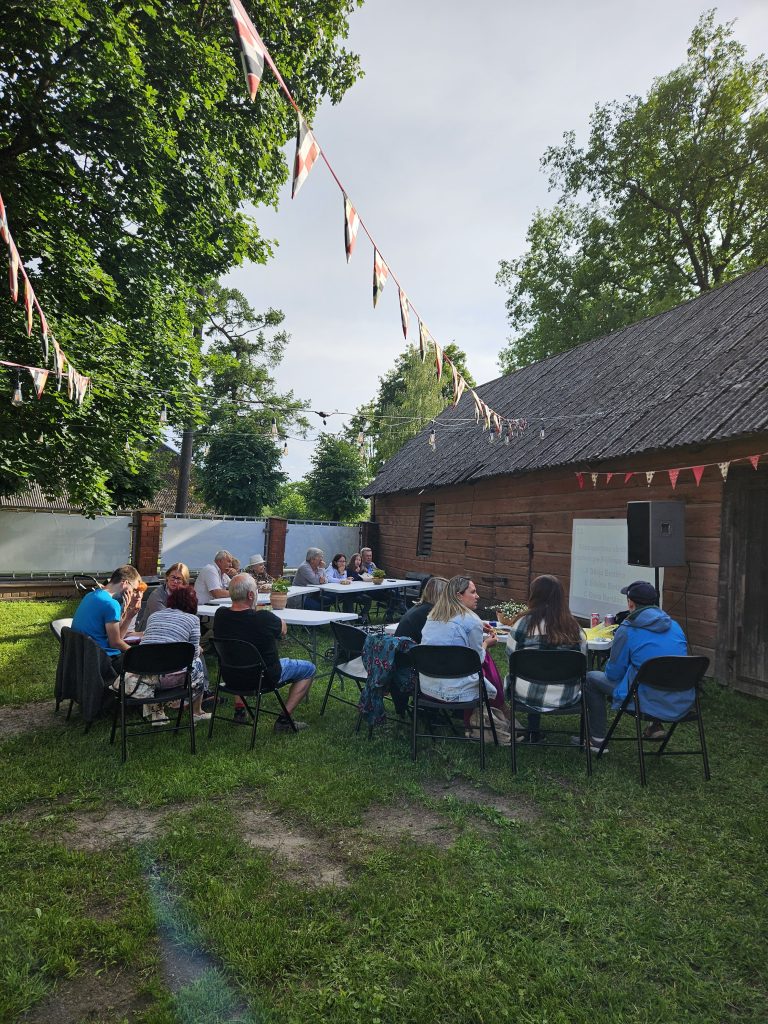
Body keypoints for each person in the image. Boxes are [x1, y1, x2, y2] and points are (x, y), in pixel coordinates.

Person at [583, 580, 689, 752]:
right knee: (653, 673)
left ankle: (597, 740)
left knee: (591, 678)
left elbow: (613, 674)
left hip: (643, 696)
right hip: (679, 696)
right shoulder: (675, 626)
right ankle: (655, 725)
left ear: (631, 603)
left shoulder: (627, 628)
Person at [213, 574, 316, 732]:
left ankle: (240, 711)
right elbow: (283, 630)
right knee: (309, 668)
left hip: (231, 677)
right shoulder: (264, 618)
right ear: (251, 595)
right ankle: (284, 720)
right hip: (263, 677)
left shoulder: (220, 616)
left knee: (239, 657)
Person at [505, 574, 587, 741]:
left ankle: (533, 730)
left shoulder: (521, 624)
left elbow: (511, 659)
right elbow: (583, 663)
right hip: (567, 695)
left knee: (529, 676)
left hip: (525, 694)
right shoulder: (574, 627)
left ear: (534, 595)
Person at [419, 575, 500, 704]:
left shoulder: (432, 617)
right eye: (473, 592)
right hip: (458, 691)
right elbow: (478, 661)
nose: (477, 596)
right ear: (458, 596)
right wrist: (486, 643)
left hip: (428, 687)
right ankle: (497, 707)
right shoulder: (472, 621)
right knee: (487, 659)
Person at [139, 585, 209, 725]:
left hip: (144, 676)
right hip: (171, 677)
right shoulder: (193, 620)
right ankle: (197, 712)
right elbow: (193, 653)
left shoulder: (154, 616)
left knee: (156, 660)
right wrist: (199, 650)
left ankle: (157, 712)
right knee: (198, 663)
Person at [71, 564, 143, 661]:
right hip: (100, 658)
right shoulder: (111, 604)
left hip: (82, 654)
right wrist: (138, 653)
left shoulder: (90, 595)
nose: (133, 592)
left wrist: (126, 616)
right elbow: (115, 643)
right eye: (134, 589)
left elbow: (118, 638)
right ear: (125, 583)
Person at [136, 563, 190, 630]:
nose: (175, 581)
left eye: (179, 579)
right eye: (173, 577)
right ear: (167, 576)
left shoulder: (186, 595)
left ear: (184, 581)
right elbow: (163, 620)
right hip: (150, 633)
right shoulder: (157, 595)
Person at [395, 576, 448, 643]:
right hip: (408, 650)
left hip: (401, 647)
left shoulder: (420, 606)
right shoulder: (430, 611)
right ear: (441, 594)